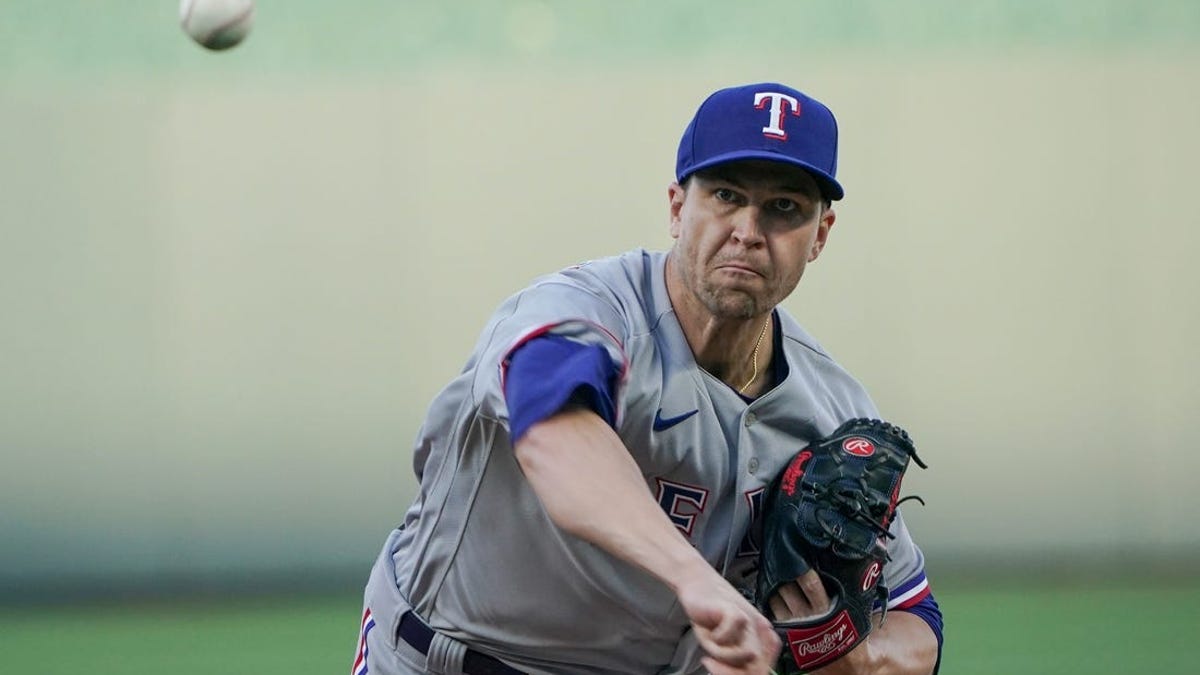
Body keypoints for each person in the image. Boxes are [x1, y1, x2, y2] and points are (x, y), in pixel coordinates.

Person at [353, 82, 944, 675]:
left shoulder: (829, 410)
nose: (747, 229)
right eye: (725, 195)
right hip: (448, 655)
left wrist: (849, 658)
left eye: (784, 208)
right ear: (677, 208)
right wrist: (692, 577)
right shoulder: (582, 313)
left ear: (820, 235)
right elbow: (553, 435)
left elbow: (918, 617)